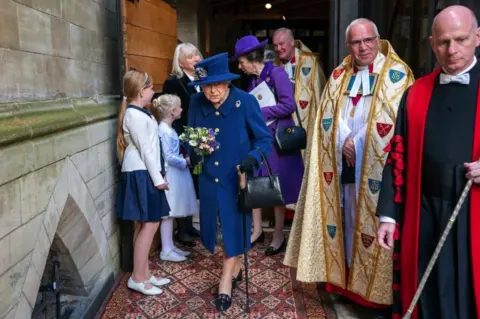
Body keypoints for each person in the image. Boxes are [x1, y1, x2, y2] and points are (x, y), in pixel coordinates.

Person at [283, 18, 414, 312]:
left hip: (377, 170)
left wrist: (360, 140)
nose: (363, 47)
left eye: (368, 40)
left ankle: (373, 293)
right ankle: (344, 283)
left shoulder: (398, 74)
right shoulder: (339, 75)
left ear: (378, 39)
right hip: (343, 166)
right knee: (346, 223)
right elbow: (326, 116)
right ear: (348, 45)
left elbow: (398, 121)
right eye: (356, 42)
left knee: (373, 225)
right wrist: (343, 141)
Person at [376, 6, 480, 319]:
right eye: (443, 42)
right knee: (429, 294)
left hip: (472, 214)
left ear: (477, 37)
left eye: (460, 39)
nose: (452, 50)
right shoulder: (416, 93)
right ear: (432, 44)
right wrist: (388, 216)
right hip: (423, 214)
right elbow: (397, 157)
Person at [187, 52, 273, 311]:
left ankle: (226, 280)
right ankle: (235, 266)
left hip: (236, 178)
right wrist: (194, 151)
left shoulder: (245, 102)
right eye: (206, 85)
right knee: (217, 231)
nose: (211, 91)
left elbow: (264, 140)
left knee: (233, 228)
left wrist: (252, 158)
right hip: (207, 179)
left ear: (227, 82)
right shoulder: (194, 102)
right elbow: (190, 135)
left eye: (217, 84)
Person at [231, 35, 304, 255]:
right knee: (255, 182)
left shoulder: (277, 73)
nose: (239, 66)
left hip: (277, 140)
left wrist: (259, 113)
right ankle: (257, 230)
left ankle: (279, 233)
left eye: (240, 61)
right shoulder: (252, 79)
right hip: (259, 138)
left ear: (250, 57)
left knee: (276, 186)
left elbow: (289, 105)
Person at [116, 70, 172, 295]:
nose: (153, 91)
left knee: (145, 225)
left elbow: (153, 148)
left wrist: (161, 172)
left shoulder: (141, 113)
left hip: (145, 171)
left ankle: (144, 273)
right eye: (150, 88)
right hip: (141, 173)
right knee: (149, 224)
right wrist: (158, 179)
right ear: (141, 91)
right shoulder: (135, 116)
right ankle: (137, 278)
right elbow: (146, 151)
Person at [161, 43, 203, 246]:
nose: (195, 59)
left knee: (196, 181)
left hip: (203, 135)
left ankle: (189, 224)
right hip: (183, 135)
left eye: (196, 55)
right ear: (180, 62)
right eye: (189, 57)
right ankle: (182, 229)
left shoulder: (204, 78)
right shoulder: (173, 83)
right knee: (185, 180)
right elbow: (170, 112)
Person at [152, 94, 198, 262]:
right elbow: (168, 156)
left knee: (171, 213)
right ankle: (166, 249)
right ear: (172, 111)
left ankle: (170, 246)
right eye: (179, 107)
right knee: (168, 213)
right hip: (171, 173)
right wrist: (186, 161)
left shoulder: (169, 129)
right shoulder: (163, 130)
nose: (182, 109)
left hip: (177, 172)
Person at [272, 27, 327, 159]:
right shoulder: (274, 64)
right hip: (282, 125)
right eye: (275, 45)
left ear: (292, 42)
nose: (278, 49)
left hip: (306, 122)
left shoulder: (310, 62)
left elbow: (320, 95)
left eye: (281, 44)